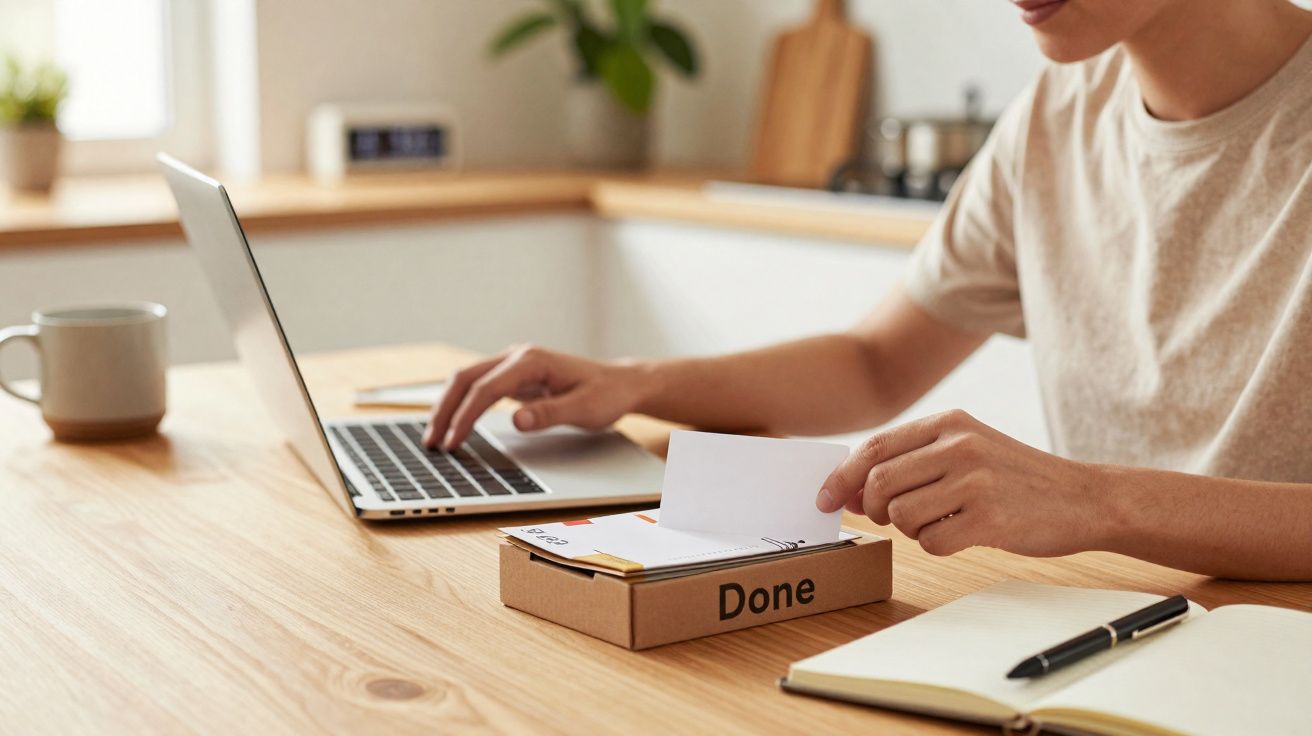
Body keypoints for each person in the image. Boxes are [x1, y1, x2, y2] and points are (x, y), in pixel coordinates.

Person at [425, 0, 1312, 581]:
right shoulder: (1056, 115)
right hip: (1109, 625)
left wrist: (1092, 500)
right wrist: (638, 383)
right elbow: (874, 364)